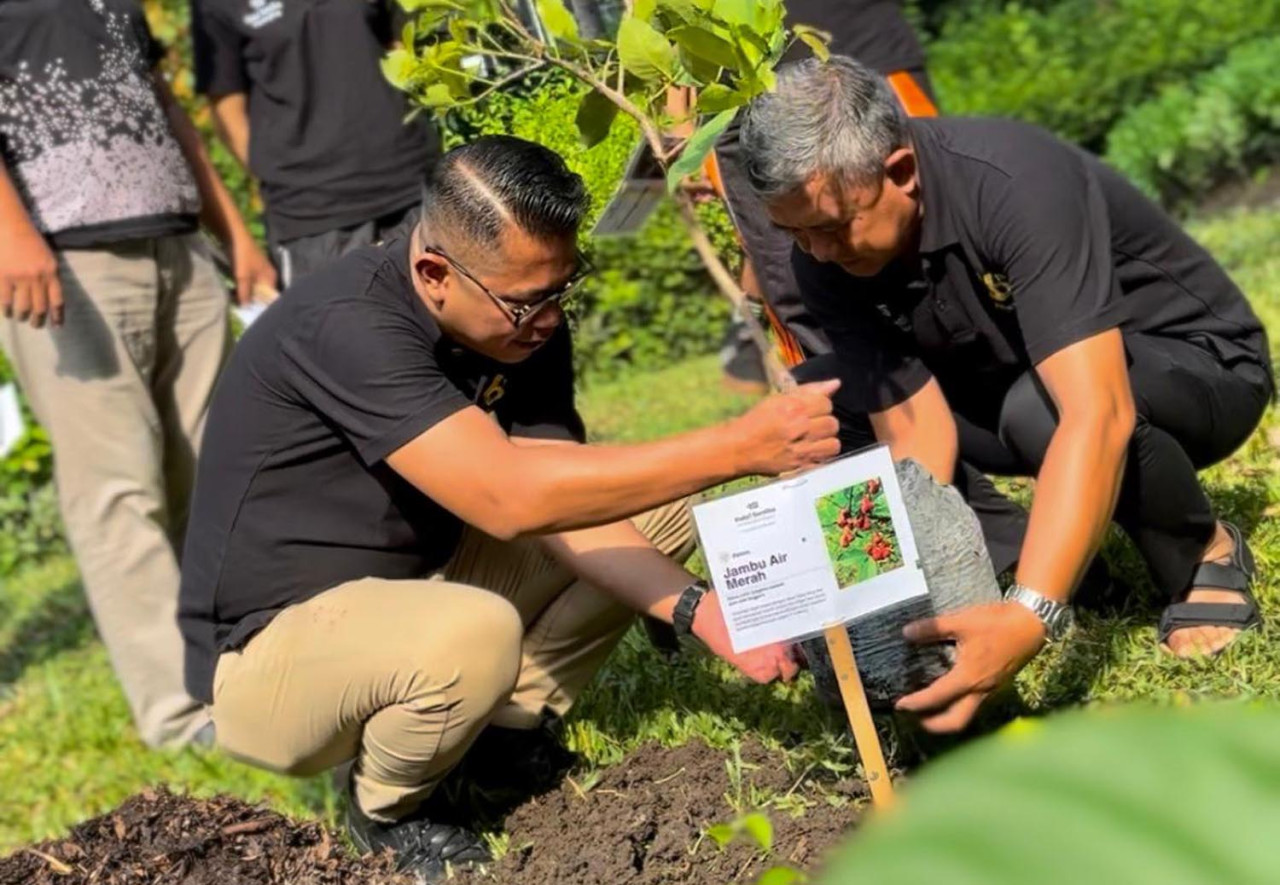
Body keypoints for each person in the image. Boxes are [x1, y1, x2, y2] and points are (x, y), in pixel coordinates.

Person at [178, 136, 841, 880]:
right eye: (527, 300)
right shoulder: (348, 324)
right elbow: (509, 499)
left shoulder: (524, 318)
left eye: (563, 288)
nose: (550, 319)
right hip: (272, 657)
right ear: (434, 273)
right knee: (473, 629)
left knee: (660, 504)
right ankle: (389, 812)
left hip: (421, 584)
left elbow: (560, 489)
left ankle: (497, 735)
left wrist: (701, 612)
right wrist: (738, 446)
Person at [738, 57, 1274, 734]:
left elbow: (1097, 412)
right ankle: (1025, 556)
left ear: (900, 171)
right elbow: (912, 434)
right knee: (824, 400)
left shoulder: (1014, 180)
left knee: (1041, 408)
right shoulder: (824, 254)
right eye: (795, 234)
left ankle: (1200, 555)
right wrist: (875, 592)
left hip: (1192, 371)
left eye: (832, 226)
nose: (815, 252)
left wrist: (1030, 618)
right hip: (1017, 382)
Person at [0, 0, 274, 747]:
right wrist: (10, 231)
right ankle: (181, 715)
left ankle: (243, 661)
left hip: (177, 244)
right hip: (62, 258)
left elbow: (163, 106)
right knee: (116, 488)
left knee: (214, 470)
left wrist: (235, 234)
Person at [714, 0, 938, 394]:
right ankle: (858, 433)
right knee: (790, 277)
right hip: (725, 88)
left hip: (849, 38)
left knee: (924, 237)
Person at [191, 0, 441, 288]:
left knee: (449, 327)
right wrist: (287, 178)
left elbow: (398, 44)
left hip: (412, 188)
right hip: (314, 220)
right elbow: (227, 108)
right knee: (347, 331)